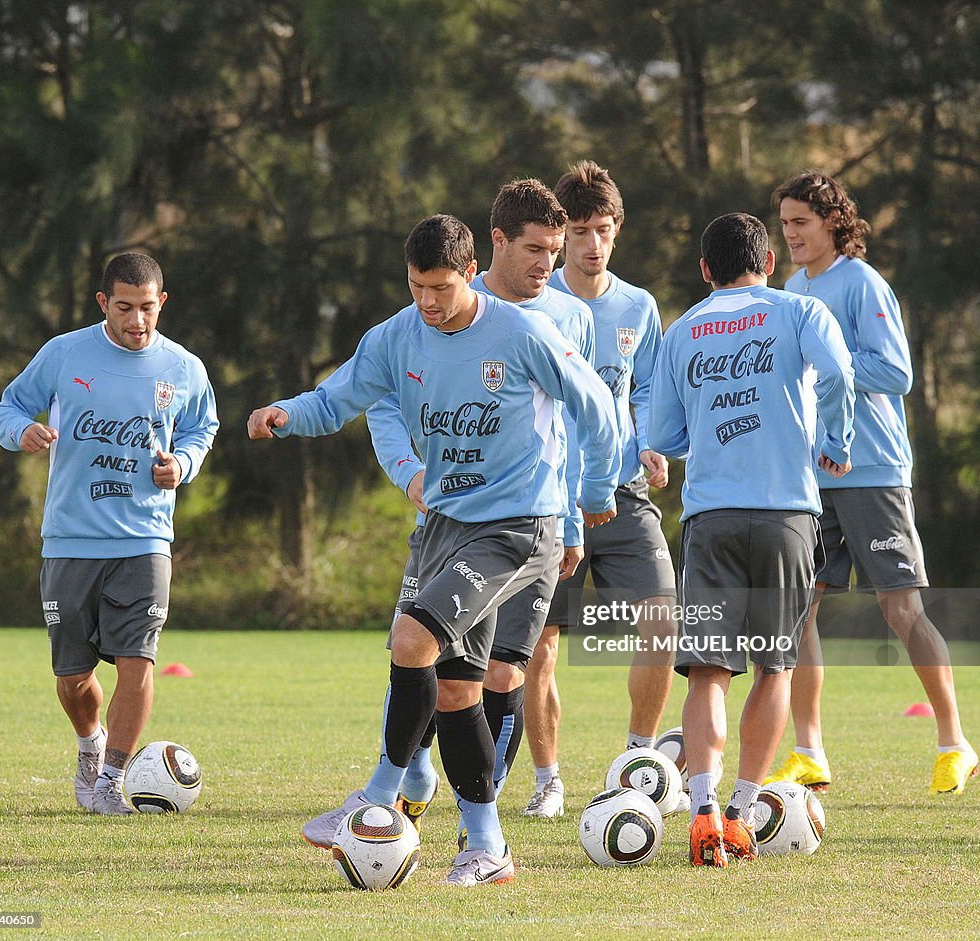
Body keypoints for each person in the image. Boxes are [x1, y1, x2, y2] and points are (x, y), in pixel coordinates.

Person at [248, 214, 620, 886]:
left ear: (472, 272)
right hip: (448, 523)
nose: (428, 301)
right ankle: (487, 846)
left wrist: (591, 494)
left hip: (519, 525)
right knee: (455, 688)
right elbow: (338, 399)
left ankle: (377, 795)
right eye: (418, 285)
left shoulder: (522, 332)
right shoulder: (398, 335)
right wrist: (287, 412)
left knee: (411, 637)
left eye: (442, 287)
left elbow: (596, 405)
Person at [649, 212, 855, 867]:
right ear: (767, 261)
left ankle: (702, 809)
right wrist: (836, 442)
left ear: (706, 270)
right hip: (788, 515)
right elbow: (842, 377)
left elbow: (664, 436)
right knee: (774, 665)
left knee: (709, 672)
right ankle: (740, 811)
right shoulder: (800, 312)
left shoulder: (681, 331)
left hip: (710, 517)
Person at [765, 171, 977, 795]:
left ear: (833, 221)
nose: (792, 235)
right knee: (799, 607)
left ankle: (955, 741)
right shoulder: (793, 286)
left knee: (900, 608)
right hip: (814, 473)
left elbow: (896, 372)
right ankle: (808, 751)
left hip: (874, 470)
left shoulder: (862, 283)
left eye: (801, 222)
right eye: (784, 224)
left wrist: (829, 360)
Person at [0, 252, 219, 815]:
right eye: (125, 308)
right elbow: (10, 406)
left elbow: (202, 428)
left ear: (162, 302)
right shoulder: (64, 353)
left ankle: (109, 781)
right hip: (70, 539)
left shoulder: (185, 368)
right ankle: (90, 743)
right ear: (103, 304)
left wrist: (183, 465)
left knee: (137, 663)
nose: (137, 321)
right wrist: (22, 431)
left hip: (145, 539)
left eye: (147, 308)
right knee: (73, 676)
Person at [518, 159, 678, 818]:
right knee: (541, 643)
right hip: (550, 499)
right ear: (561, 234)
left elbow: (650, 391)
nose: (593, 244)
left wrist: (653, 443)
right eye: (580, 230)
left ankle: (637, 761)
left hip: (623, 494)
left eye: (603, 229)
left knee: (664, 619)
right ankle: (548, 779)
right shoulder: (536, 303)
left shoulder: (638, 306)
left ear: (617, 231)